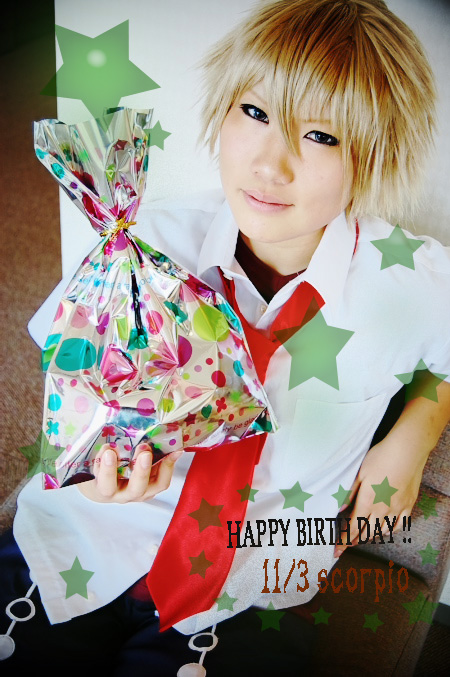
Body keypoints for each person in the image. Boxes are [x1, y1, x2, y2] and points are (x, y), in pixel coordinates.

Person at [2, 0, 450, 674]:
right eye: (256, 112)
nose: (271, 164)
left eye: (321, 135)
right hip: (79, 542)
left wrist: (414, 434)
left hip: (250, 586)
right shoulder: (140, 242)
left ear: (378, 155)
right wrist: (91, 472)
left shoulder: (412, 282)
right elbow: (70, 387)